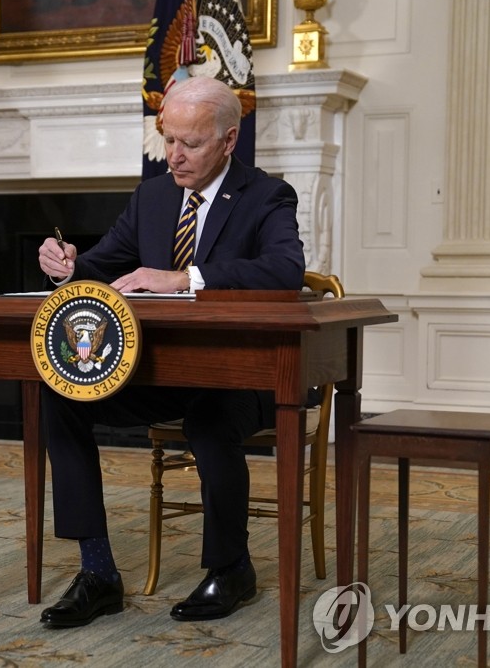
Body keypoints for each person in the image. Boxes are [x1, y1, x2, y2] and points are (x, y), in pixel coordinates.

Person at [35, 76, 305, 628]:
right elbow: (104, 263)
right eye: (168, 139)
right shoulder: (153, 195)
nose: (173, 156)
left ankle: (231, 568)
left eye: (191, 144)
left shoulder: (266, 195)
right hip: (165, 371)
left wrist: (185, 278)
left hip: (243, 374)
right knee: (61, 392)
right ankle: (98, 572)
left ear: (229, 141)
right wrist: (68, 260)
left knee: (210, 418)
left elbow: (286, 270)